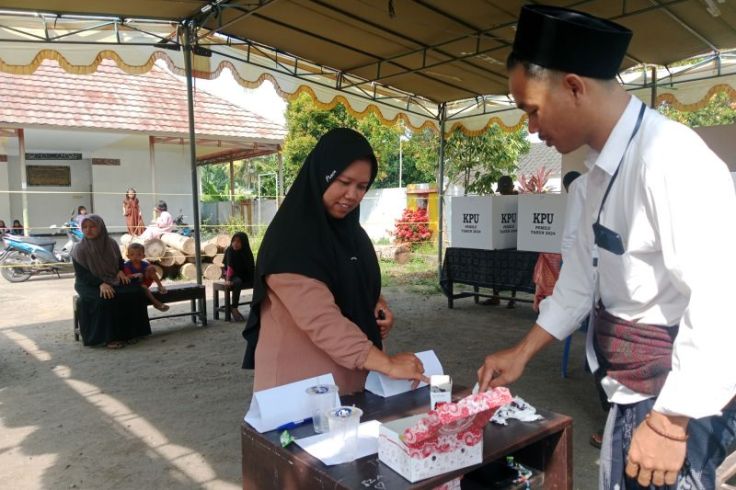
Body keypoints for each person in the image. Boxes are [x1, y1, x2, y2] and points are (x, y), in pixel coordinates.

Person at [477, 5, 736, 489]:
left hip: (678, 401)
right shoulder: (595, 177)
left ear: (574, 86)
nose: (531, 128)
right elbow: (579, 282)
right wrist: (522, 352)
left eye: (532, 109)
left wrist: (669, 423)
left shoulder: (669, 158)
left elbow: (725, 297)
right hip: (628, 394)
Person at [242, 128, 428, 395]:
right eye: (343, 181)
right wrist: (386, 363)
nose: (352, 195)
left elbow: (352, 279)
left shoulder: (351, 234)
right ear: (321, 176)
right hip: (298, 393)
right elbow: (322, 319)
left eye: (362, 186)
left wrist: (376, 304)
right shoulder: (290, 241)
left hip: (351, 384)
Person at [72, 215, 151, 349]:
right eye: (85, 227)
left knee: (135, 291)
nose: (88, 230)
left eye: (92, 226)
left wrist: (120, 270)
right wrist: (100, 284)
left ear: (101, 227)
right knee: (106, 298)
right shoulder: (79, 249)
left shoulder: (111, 243)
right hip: (88, 283)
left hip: (112, 278)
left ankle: (131, 333)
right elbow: (82, 274)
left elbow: (119, 262)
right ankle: (108, 338)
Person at [484, 175, 518, 308]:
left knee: (514, 271)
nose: (503, 194)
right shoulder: (498, 203)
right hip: (500, 242)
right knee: (496, 269)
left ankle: (512, 298)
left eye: (506, 191)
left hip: (515, 242)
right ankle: (496, 296)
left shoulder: (520, 200)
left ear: (512, 188)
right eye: (502, 192)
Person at [123, 242, 169, 312]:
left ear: (143, 256)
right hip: (133, 284)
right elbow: (127, 276)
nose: (135, 257)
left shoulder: (144, 264)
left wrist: (151, 269)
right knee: (144, 287)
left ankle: (160, 286)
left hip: (145, 281)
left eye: (139, 255)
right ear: (128, 256)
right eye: (132, 255)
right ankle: (156, 303)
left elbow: (151, 272)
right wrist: (135, 275)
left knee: (151, 268)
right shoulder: (127, 265)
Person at [223, 231, 255, 322]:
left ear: (243, 243)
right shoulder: (230, 250)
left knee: (259, 280)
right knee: (237, 282)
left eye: (238, 242)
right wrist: (228, 280)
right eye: (234, 241)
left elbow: (251, 266)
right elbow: (229, 267)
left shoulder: (246, 251)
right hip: (231, 274)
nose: (235, 244)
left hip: (243, 274)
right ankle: (234, 307)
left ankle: (256, 305)